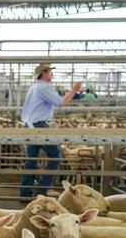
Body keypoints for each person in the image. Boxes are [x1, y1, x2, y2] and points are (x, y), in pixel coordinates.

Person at [19, 63, 81, 199]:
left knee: (31, 159)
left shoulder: (34, 87)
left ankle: (25, 193)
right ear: (44, 73)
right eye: (50, 72)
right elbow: (61, 102)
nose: (52, 74)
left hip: (30, 126)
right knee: (55, 156)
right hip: (40, 126)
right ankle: (42, 190)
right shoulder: (44, 87)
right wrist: (74, 90)